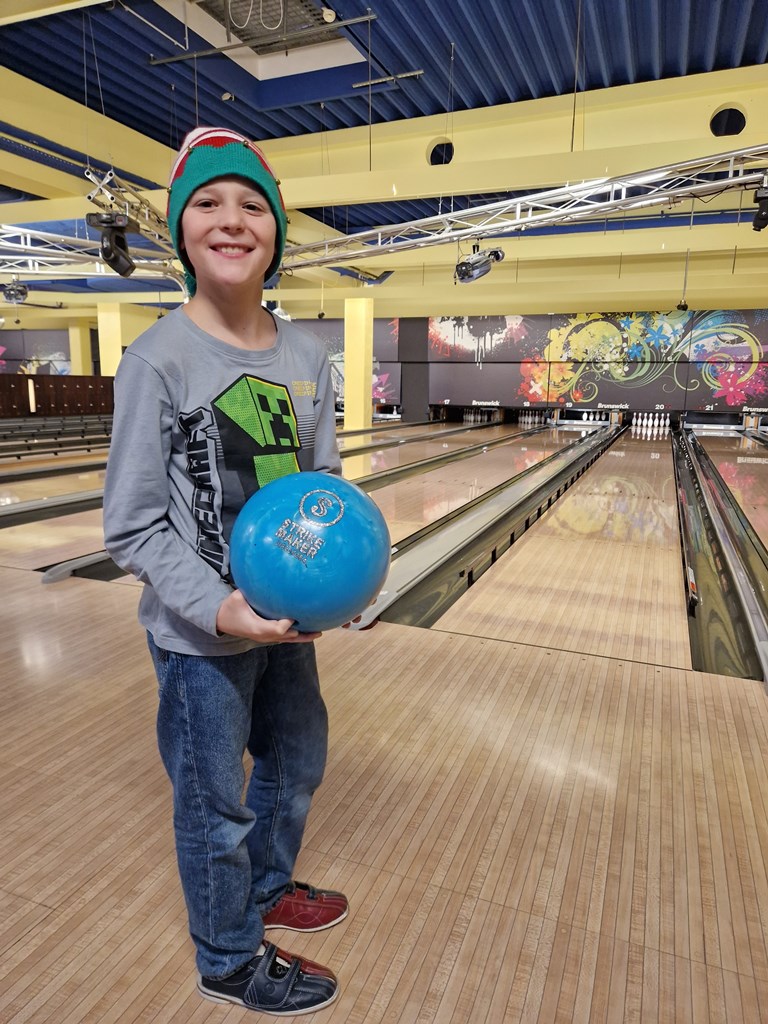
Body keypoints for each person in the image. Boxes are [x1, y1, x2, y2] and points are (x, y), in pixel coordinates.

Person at [103, 127, 348, 1016]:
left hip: (285, 619)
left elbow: (327, 494)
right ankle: (228, 957)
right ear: (180, 231)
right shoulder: (157, 359)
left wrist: (345, 584)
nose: (232, 219)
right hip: (199, 637)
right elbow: (131, 525)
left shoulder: (309, 356)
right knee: (213, 803)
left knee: (296, 759)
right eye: (207, 202)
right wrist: (217, 608)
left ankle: (266, 888)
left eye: (253, 204)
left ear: (277, 230)